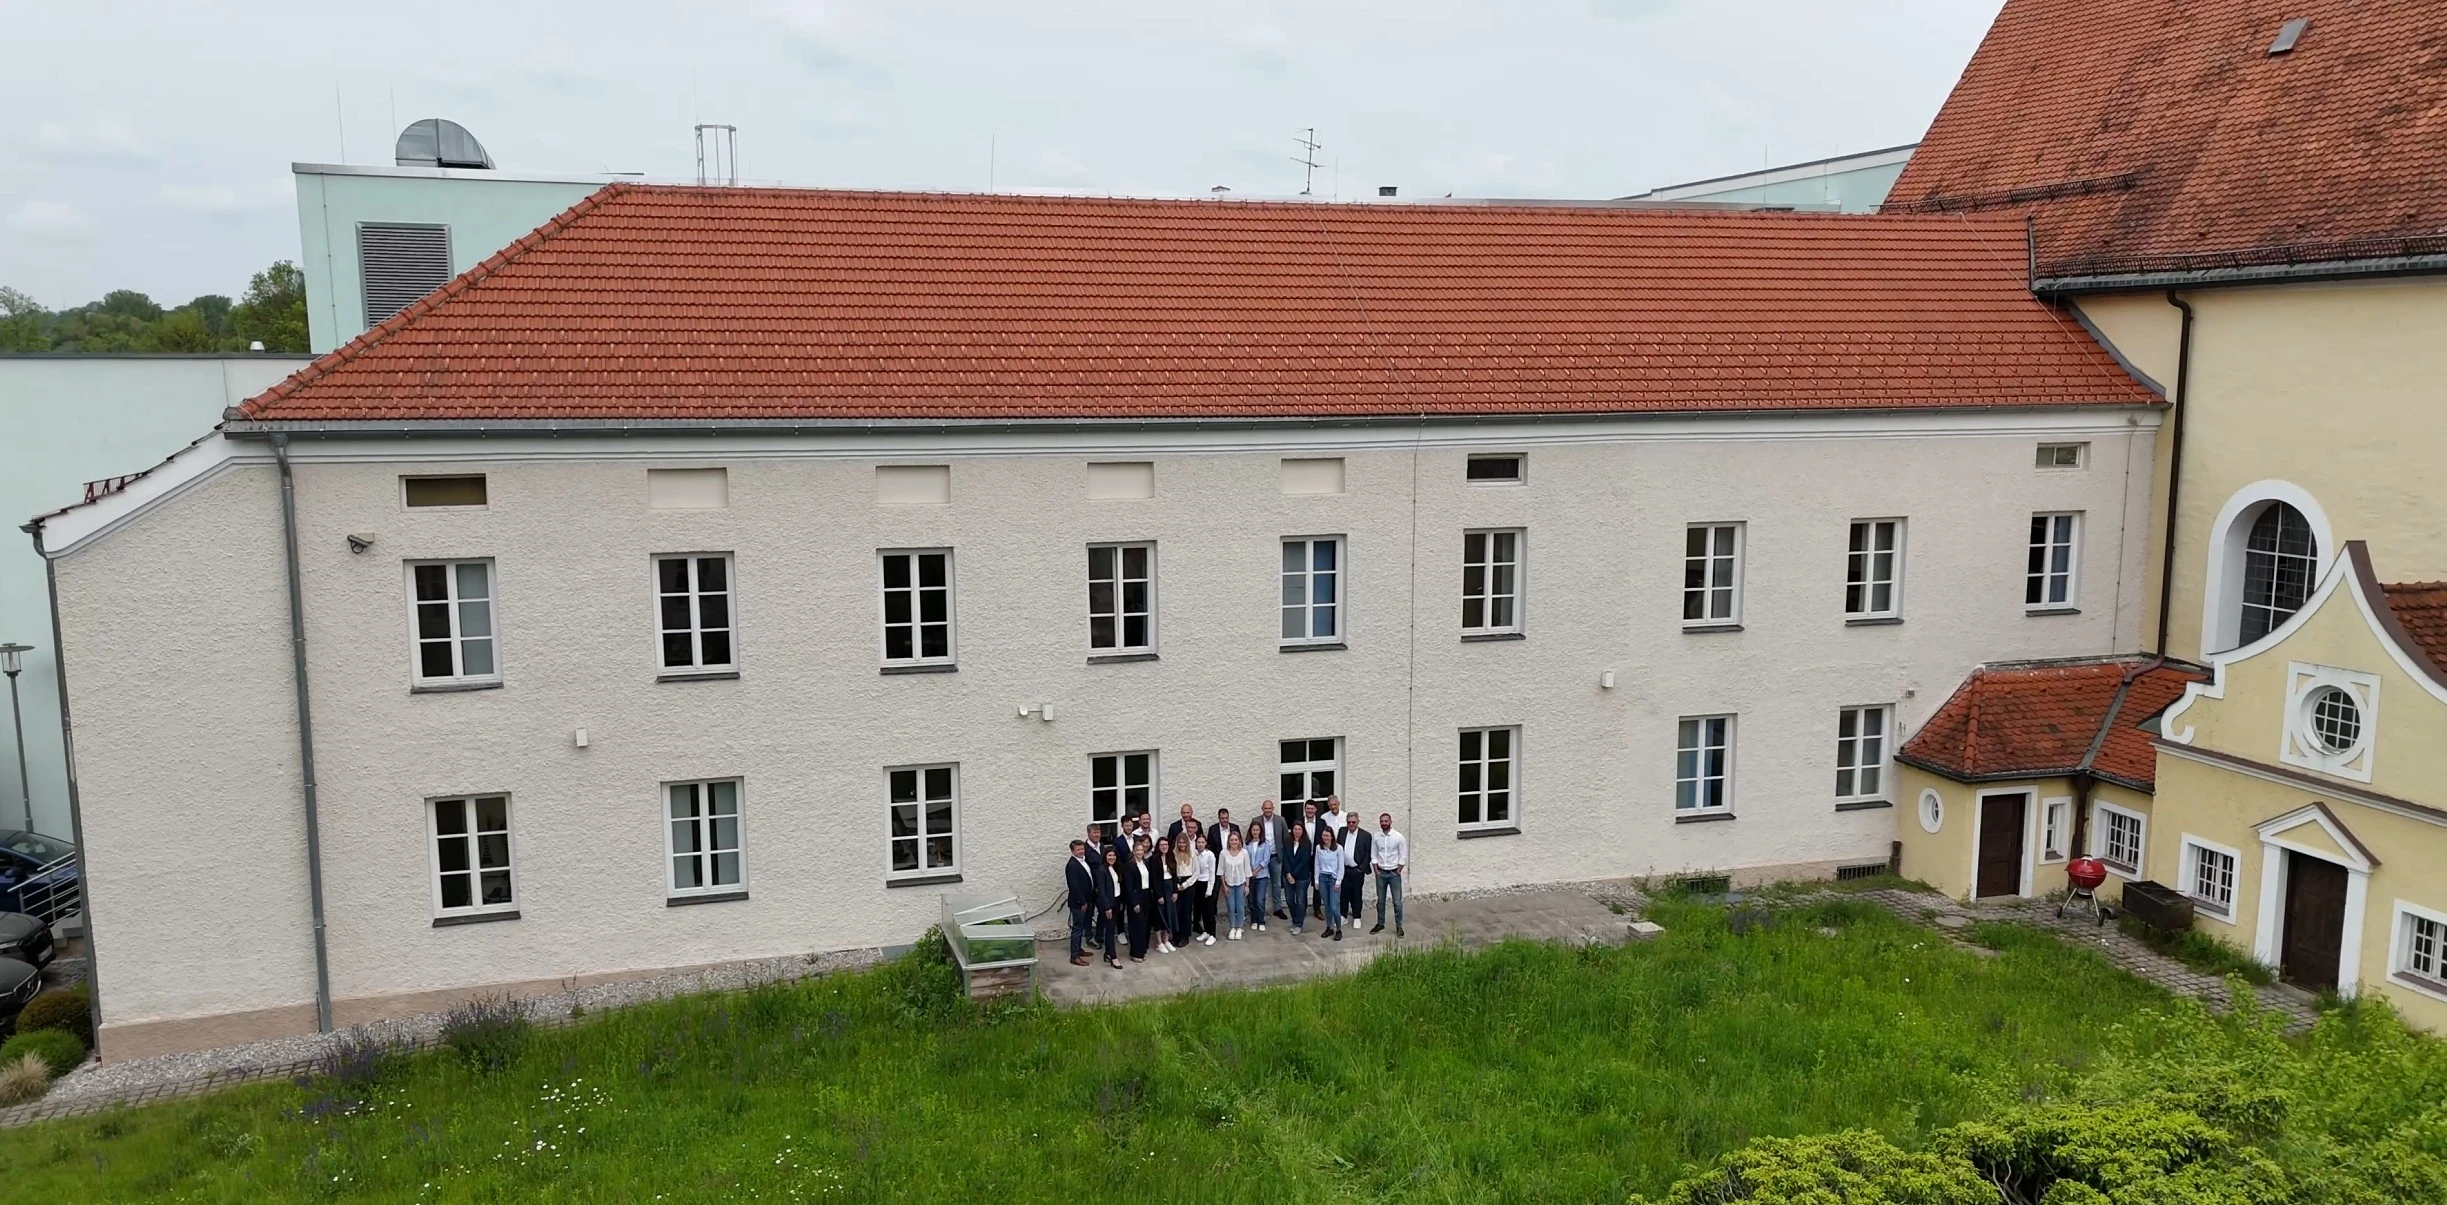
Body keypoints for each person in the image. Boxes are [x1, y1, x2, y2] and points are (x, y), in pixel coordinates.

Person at [1370, 812, 1407, 937]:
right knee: (1380, 901)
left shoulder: (1398, 837)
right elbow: (1374, 854)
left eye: (1386, 821)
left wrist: (1399, 870)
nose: (1384, 823)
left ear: (1390, 822)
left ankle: (1399, 926)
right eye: (1382, 821)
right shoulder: (1376, 837)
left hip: (1394, 873)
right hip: (1381, 873)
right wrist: (1376, 869)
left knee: (1397, 902)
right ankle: (1380, 923)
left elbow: (1403, 855)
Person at [1254, 800, 1291, 919]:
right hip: (1261, 860)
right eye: (1266, 808)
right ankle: (1261, 909)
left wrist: (1285, 856)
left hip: (1276, 857)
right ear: (1262, 809)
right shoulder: (1256, 821)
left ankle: (1278, 908)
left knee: (1276, 884)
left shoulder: (1281, 820)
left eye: (1269, 808)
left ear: (1273, 808)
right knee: (1262, 884)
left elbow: (1286, 838)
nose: (1268, 810)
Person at [1122, 836, 1156, 961]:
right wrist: (1134, 902)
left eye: (1142, 850)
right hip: (1136, 898)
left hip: (1146, 896)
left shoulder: (1145, 863)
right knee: (1136, 925)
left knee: (1145, 925)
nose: (1140, 852)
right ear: (1133, 851)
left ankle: (1142, 950)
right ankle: (1136, 953)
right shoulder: (1129, 866)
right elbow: (1129, 887)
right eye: (1138, 850)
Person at [1064, 839, 1096, 966]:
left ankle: (1078, 949)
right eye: (1078, 850)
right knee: (1077, 928)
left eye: (1082, 849)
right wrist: (1082, 901)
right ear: (1072, 851)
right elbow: (1074, 886)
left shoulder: (1083, 861)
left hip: (1087, 899)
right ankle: (1074, 956)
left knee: (1082, 926)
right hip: (1078, 903)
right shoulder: (1072, 865)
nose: (1081, 851)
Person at [1093, 846, 1125, 969]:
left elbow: (1118, 886)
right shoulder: (1102, 870)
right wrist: (1107, 907)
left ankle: (1108, 952)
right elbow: (1101, 891)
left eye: (1114, 855)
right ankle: (1113, 957)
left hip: (1116, 901)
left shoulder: (1116, 868)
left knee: (1112, 929)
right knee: (1110, 931)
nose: (1112, 857)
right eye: (1109, 855)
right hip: (1108, 904)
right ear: (1105, 856)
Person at [1280, 822, 1314, 937]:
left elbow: (1304, 861)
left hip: (1302, 877)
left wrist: (1293, 875)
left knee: (1300, 901)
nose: (1297, 831)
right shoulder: (1287, 842)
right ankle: (1295, 920)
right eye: (1295, 829)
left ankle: (1299, 924)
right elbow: (1285, 858)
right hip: (1288, 875)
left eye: (1299, 829)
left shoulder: (1307, 844)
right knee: (1289, 900)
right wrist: (1288, 874)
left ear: (1303, 831)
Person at [1218, 828, 1252, 940]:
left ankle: (1239, 927)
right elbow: (1221, 871)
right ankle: (1232, 927)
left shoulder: (1244, 853)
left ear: (1239, 841)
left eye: (1236, 840)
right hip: (1229, 885)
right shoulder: (1223, 853)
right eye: (1231, 840)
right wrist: (1224, 886)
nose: (1234, 842)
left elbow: (1247, 870)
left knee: (1240, 907)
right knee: (1231, 907)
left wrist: (1247, 885)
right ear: (1228, 841)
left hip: (1241, 884)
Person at [1169, 828, 1199, 949]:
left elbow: (1196, 872)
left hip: (1188, 885)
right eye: (1179, 842)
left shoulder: (1192, 855)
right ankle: (1176, 935)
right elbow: (1171, 871)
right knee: (1177, 911)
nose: (1181, 844)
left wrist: (1185, 885)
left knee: (1186, 912)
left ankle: (1185, 936)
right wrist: (1176, 885)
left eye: (1183, 842)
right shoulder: (1173, 854)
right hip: (1176, 884)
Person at [1314, 828, 1346, 941]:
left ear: (1332, 837)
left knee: (1334, 906)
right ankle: (1329, 927)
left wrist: (1338, 881)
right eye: (1324, 835)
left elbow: (1341, 867)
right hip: (1322, 878)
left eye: (1327, 836)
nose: (1325, 838)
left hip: (1333, 879)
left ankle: (1338, 929)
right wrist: (1316, 881)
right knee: (1327, 906)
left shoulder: (1338, 848)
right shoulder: (1319, 848)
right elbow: (1317, 864)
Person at [1150, 835, 1179, 954]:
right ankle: (1159, 942)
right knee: (1159, 916)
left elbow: (1175, 876)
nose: (1164, 847)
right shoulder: (1154, 859)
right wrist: (1158, 895)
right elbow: (1154, 879)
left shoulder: (1171, 857)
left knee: (1169, 914)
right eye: (1162, 845)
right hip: (1160, 889)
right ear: (1158, 846)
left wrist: (1175, 891)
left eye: (1166, 845)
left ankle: (1166, 940)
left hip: (1170, 888)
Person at [1244, 819, 1273, 933]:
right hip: (1249, 875)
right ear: (1250, 831)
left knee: (1260, 899)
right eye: (1253, 830)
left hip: (1262, 875)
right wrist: (1250, 871)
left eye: (1257, 830)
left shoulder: (1265, 844)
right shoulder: (1247, 844)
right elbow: (1245, 859)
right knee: (1251, 899)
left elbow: (1266, 859)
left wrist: (1256, 870)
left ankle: (1261, 921)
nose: (1255, 832)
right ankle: (1254, 920)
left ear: (1260, 831)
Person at [1299, 801, 1327, 919]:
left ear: (1316, 809)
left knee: (1317, 884)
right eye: (1307, 808)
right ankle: (1302, 909)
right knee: (1303, 883)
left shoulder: (1321, 823)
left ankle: (1317, 909)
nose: (1309, 811)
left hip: (1317, 857)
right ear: (1305, 809)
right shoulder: (1299, 821)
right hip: (1303, 858)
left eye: (1312, 809)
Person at [1340, 820, 1372, 922]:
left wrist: (1361, 869)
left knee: (1356, 894)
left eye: (1354, 822)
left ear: (1358, 822)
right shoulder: (1342, 831)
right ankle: (1343, 915)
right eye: (1349, 822)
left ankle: (1357, 916)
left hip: (1357, 870)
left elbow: (1368, 854)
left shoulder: (1365, 835)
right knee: (1343, 894)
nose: (1351, 824)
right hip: (1344, 869)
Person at [1192, 830, 1219, 945]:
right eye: (1198, 842)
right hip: (1197, 884)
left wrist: (1209, 889)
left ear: (1206, 843)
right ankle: (1206, 931)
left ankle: (1212, 934)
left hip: (1207, 883)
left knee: (1209, 911)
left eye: (1202, 842)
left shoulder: (1210, 855)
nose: (1200, 844)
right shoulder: (1194, 854)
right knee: (1201, 909)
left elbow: (1212, 873)